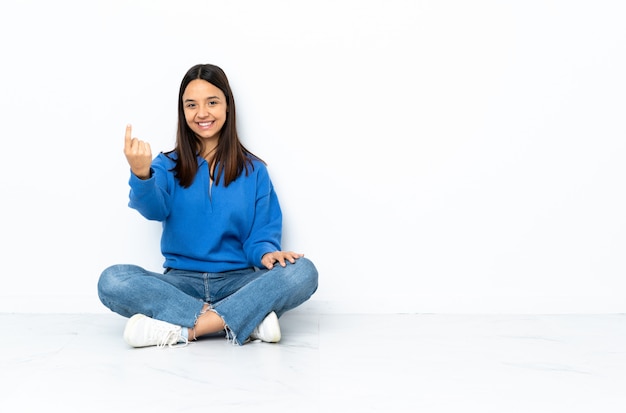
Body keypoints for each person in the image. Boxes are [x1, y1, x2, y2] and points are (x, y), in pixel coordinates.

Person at [97, 63, 318, 348]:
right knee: (113, 280)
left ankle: (183, 329)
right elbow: (154, 210)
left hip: (237, 283)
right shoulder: (166, 166)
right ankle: (244, 321)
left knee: (303, 272)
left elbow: (261, 235)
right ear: (183, 111)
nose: (202, 113)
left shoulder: (255, 171)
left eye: (212, 102)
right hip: (181, 285)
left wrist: (266, 254)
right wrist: (142, 175)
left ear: (228, 106)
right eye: (191, 105)